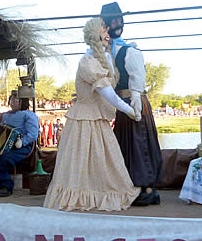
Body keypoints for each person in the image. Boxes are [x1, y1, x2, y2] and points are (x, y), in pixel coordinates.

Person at [44, 18, 141, 212]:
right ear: (95, 35)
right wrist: (130, 110)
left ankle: (95, 195)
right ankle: (79, 198)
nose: (107, 32)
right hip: (85, 119)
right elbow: (109, 94)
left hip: (95, 117)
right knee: (82, 159)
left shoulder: (99, 60)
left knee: (101, 158)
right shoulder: (88, 62)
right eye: (103, 28)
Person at [101, 2, 163, 205]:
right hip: (122, 103)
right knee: (126, 144)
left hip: (134, 103)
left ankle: (147, 188)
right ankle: (133, 186)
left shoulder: (129, 50)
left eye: (119, 20)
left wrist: (136, 100)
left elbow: (138, 79)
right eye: (112, 21)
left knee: (140, 143)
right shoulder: (110, 50)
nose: (117, 24)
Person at [0, 91, 39, 197]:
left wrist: (21, 142)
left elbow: (33, 134)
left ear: (23, 102)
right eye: (11, 100)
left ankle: (5, 185)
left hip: (20, 147)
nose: (13, 102)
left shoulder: (29, 115)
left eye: (16, 100)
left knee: (4, 158)